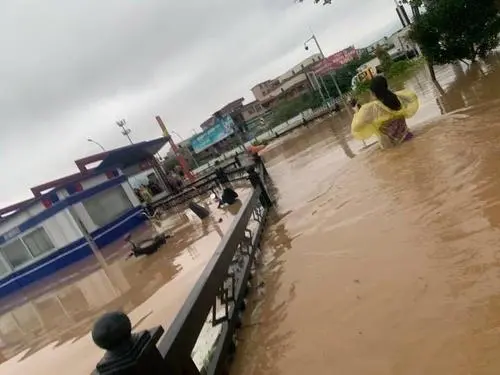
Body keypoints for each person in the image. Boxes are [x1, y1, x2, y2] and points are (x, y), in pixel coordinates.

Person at [351, 75, 419, 149]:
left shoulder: (372, 108)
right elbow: (412, 97)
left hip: (392, 147)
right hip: (408, 137)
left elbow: (356, 127)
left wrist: (357, 112)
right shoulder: (397, 99)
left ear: (373, 93)